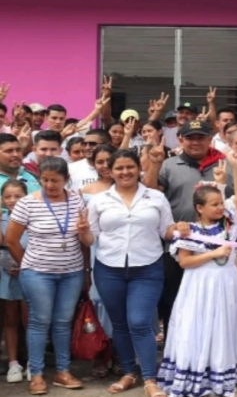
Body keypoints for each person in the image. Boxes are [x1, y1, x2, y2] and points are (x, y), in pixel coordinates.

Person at [158, 150, 237, 397]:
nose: (221, 207)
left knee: (222, 325)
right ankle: (195, 372)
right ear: (199, 207)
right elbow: (185, 263)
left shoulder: (228, 223)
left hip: (226, 281)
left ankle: (220, 371)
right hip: (199, 284)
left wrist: (236, 169)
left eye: (221, 203)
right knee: (198, 326)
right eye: (215, 204)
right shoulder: (191, 231)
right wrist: (213, 253)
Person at [87, 149, 178, 396]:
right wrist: (81, 230)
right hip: (108, 268)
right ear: (110, 171)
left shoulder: (156, 197)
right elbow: (90, 237)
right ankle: (129, 372)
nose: (125, 172)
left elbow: (166, 231)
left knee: (139, 322)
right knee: (119, 324)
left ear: (139, 168)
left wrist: (179, 230)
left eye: (130, 167)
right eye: (119, 168)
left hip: (147, 268)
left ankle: (150, 378)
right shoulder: (99, 200)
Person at [5, 156, 92, 395]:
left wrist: (86, 270)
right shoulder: (27, 203)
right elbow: (11, 239)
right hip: (38, 273)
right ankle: (37, 374)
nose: (50, 185)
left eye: (55, 180)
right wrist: (29, 265)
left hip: (71, 272)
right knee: (39, 322)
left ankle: (63, 372)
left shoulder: (77, 200)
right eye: (45, 180)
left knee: (63, 322)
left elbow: (84, 241)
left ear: (67, 179)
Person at [143, 120, 230, 338]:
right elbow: (150, 193)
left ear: (210, 139)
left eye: (201, 137)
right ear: (181, 139)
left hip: (216, 244)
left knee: (211, 301)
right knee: (175, 298)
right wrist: (154, 165)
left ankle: (208, 344)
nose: (196, 142)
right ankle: (176, 345)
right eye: (190, 137)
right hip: (178, 244)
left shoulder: (224, 163)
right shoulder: (169, 165)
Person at [80, 144, 118, 378]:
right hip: (96, 251)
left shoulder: (130, 186)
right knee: (99, 303)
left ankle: (121, 355)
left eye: (109, 161)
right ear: (93, 163)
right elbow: (83, 231)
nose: (105, 166)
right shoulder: (86, 190)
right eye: (100, 161)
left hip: (123, 253)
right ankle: (100, 354)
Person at [0, 179, 28, 383]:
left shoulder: (33, 217)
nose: (12, 200)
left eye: (18, 196)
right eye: (8, 196)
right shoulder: (2, 219)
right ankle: (13, 363)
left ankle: (32, 362)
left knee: (30, 321)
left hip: (29, 274)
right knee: (10, 320)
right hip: (7, 275)